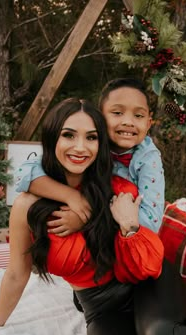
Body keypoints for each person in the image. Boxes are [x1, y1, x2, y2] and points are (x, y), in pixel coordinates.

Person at [0, 98, 186, 335]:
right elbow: (15, 273)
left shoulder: (116, 186)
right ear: (52, 138)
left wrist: (127, 226)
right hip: (99, 305)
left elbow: (147, 259)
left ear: (101, 144)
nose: (80, 147)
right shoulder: (27, 206)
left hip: (145, 279)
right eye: (68, 135)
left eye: (91, 137)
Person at [14, 78, 165, 235]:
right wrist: (71, 196)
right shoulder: (89, 145)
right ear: (98, 118)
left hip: (125, 239)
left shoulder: (148, 159)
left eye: (138, 116)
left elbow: (151, 223)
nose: (128, 122)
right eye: (117, 113)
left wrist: (88, 216)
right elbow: (23, 174)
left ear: (148, 123)